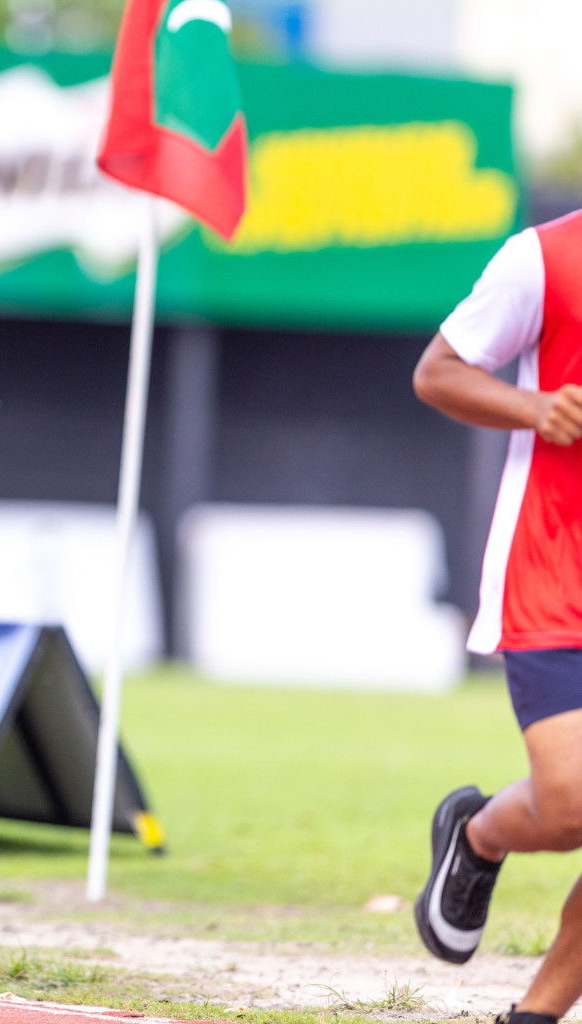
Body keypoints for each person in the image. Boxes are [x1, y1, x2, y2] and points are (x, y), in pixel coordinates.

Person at [412, 210, 582, 1024]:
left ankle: (536, 1016)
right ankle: (479, 834)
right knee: (574, 803)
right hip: (554, 566)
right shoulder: (542, 258)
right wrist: (536, 406)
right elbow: (438, 373)